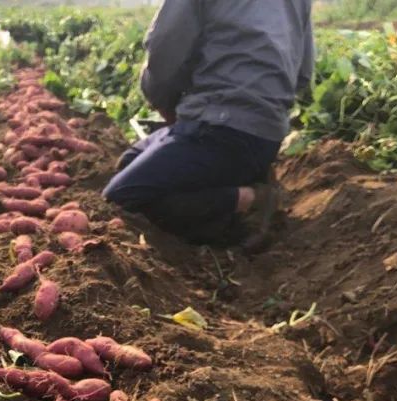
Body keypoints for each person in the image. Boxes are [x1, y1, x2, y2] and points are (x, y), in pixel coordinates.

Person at [102, 0, 314, 251]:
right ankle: (231, 198)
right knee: (129, 161)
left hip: (219, 128)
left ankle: (251, 200)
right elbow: (303, 73)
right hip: (264, 133)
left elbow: (164, 51)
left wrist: (166, 103)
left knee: (122, 198)